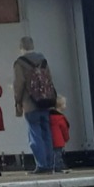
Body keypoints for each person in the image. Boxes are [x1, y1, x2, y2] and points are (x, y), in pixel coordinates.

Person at [13, 36, 57, 175]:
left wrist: (17, 101)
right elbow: (49, 78)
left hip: (30, 103)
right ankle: (50, 164)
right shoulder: (43, 60)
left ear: (21, 48)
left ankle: (42, 165)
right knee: (46, 133)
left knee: (35, 134)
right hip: (45, 101)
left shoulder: (19, 63)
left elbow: (18, 84)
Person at [49, 95, 70, 173]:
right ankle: (58, 167)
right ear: (60, 106)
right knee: (58, 154)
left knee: (53, 154)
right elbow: (64, 129)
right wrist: (67, 138)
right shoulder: (60, 118)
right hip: (59, 140)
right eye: (64, 104)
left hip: (50, 139)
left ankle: (52, 167)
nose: (65, 106)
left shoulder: (49, 116)